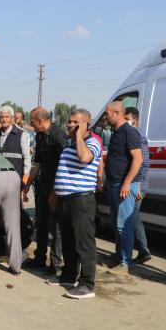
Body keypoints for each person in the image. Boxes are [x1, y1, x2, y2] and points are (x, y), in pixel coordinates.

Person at [49, 108, 101, 299]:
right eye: (69, 122)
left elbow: (85, 158)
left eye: (75, 122)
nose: (70, 125)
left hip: (81, 200)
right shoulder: (70, 145)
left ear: (86, 124)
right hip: (65, 200)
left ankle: (87, 284)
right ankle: (70, 275)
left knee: (83, 243)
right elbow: (63, 169)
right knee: (69, 241)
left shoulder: (92, 143)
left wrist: (79, 135)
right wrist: (55, 191)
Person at [23, 107, 67, 275]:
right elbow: (37, 164)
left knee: (55, 227)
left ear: (40, 121)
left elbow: (64, 165)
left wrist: (56, 190)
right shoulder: (41, 135)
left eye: (32, 122)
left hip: (56, 187)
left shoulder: (58, 136)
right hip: (43, 185)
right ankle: (40, 258)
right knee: (40, 223)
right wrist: (27, 186)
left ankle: (55, 264)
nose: (31, 125)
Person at [104, 101, 143, 275]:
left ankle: (126, 263)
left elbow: (138, 159)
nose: (105, 116)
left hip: (123, 185)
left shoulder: (129, 132)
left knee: (123, 224)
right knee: (116, 222)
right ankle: (119, 255)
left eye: (107, 113)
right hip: (114, 184)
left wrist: (127, 183)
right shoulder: (117, 133)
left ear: (117, 113)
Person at [125, 107, 151, 264]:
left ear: (135, 120)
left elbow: (144, 161)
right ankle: (141, 249)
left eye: (128, 118)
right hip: (133, 183)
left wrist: (138, 185)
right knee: (131, 215)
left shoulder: (139, 136)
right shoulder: (127, 134)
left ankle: (143, 249)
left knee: (132, 215)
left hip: (137, 184)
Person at [0, 105, 32, 190]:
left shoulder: (21, 134)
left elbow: (27, 158)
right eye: (2, 117)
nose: (4, 119)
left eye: (7, 117)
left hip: (16, 181)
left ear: (12, 118)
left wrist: (24, 180)